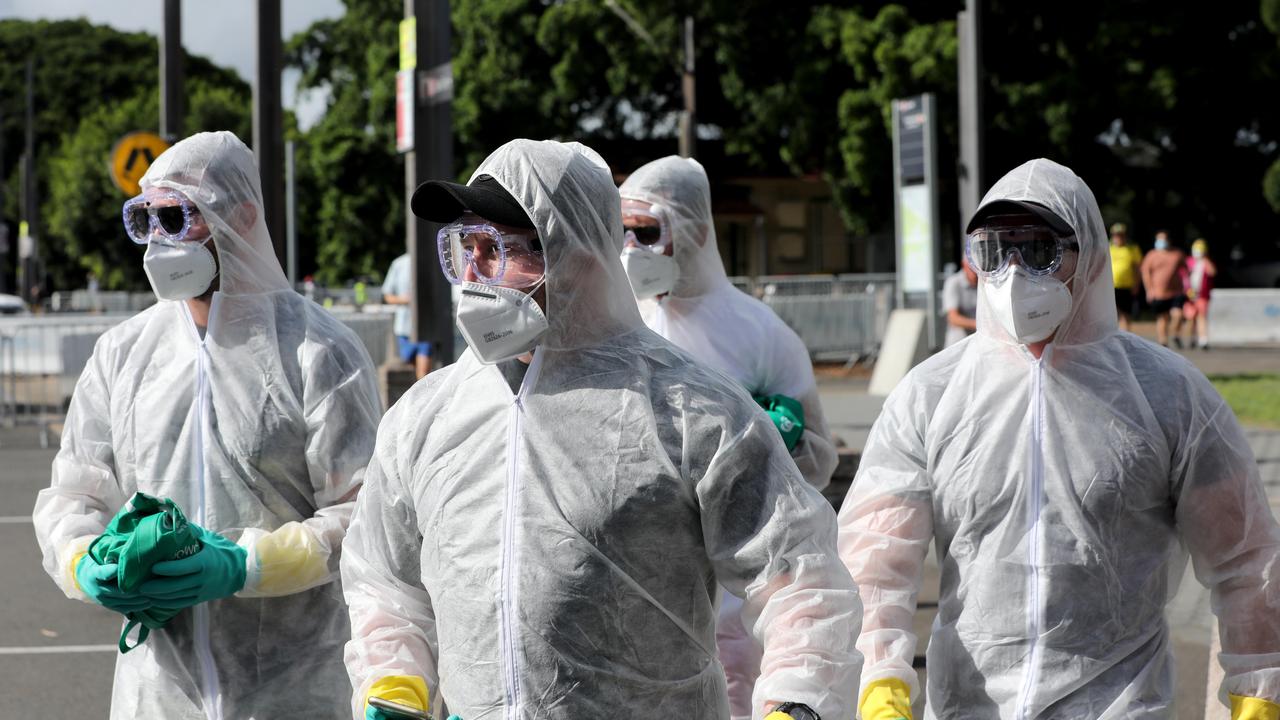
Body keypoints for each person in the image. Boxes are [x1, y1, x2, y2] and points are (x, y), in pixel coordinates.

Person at [341, 139, 863, 720]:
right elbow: (384, 580)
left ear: (579, 256)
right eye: (466, 247)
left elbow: (801, 578)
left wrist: (798, 701)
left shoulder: (692, 410)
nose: (474, 274)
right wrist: (394, 680)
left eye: (498, 249)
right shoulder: (426, 418)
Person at [838, 158, 1280, 720]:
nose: (1015, 274)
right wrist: (879, 680)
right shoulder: (930, 395)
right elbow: (875, 560)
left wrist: (1257, 688)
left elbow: (1248, 560)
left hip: (1119, 707)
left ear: (1090, 257)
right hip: (969, 709)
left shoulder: (1170, 397)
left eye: (1040, 250)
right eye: (996, 252)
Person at [32, 131, 383, 719]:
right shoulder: (124, 354)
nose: (159, 241)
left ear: (241, 217)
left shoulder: (318, 351)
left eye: (178, 218)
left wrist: (245, 565)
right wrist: (81, 556)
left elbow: (365, 515)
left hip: (294, 689)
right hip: (159, 695)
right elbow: (75, 490)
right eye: (145, 220)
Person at [617, 155, 840, 720]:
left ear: (692, 230)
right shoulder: (613, 326)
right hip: (633, 584)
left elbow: (815, 459)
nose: (631, 248)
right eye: (620, 231)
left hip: (736, 597)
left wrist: (773, 435)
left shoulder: (760, 333)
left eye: (647, 232)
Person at [382, 253, 432, 378]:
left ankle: (425, 395)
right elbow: (387, 295)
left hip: (426, 325)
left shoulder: (431, 260)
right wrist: (405, 300)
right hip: (404, 328)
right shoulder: (399, 263)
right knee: (413, 371)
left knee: (423, 374)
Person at [1140, 229, 1187, 347]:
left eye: (1163, 239)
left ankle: (1175, 333)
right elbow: (1145, 273)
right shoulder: (1151, 255)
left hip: (1176, 292)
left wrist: (1188, 285)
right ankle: (1163, 342)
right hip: (1158, 293)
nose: (1161, 242)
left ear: (1169, 240)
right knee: (1162, 318)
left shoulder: (1177, 254)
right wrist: (1149, 290)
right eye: (1158, 239)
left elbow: (1186, 270)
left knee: (1178, 315)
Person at [1176, 237, 1217, 350]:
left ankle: (1203, 340)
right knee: (1190, 317)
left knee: (1201, 317)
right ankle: (1190, 338)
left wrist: (1205, 259)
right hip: (1189, 294)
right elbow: (1182, 275)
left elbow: (1212, 272)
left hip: (1202, 295)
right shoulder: (1189, 261)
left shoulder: (1206, 262)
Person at [1108, 222, 1143, 331]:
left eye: (1121, 235)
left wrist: (1137, 284)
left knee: (1125, 314)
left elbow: (1138, 269)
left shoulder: (1133, 249)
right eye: (1116, 235)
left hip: (1126, 286)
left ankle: (1126, 336)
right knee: (1111, 314)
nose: (1118, 237)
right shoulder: (1108, 248)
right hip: (1110, 286)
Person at [940, 257, 979, 347]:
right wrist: (978, 324)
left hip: (977, 345)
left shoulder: (983, 282)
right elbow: (953, 318)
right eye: (972, 268)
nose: (975, 272)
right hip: (958, 345)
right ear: (964, 264)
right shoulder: (953, 282)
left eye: (977, 268)